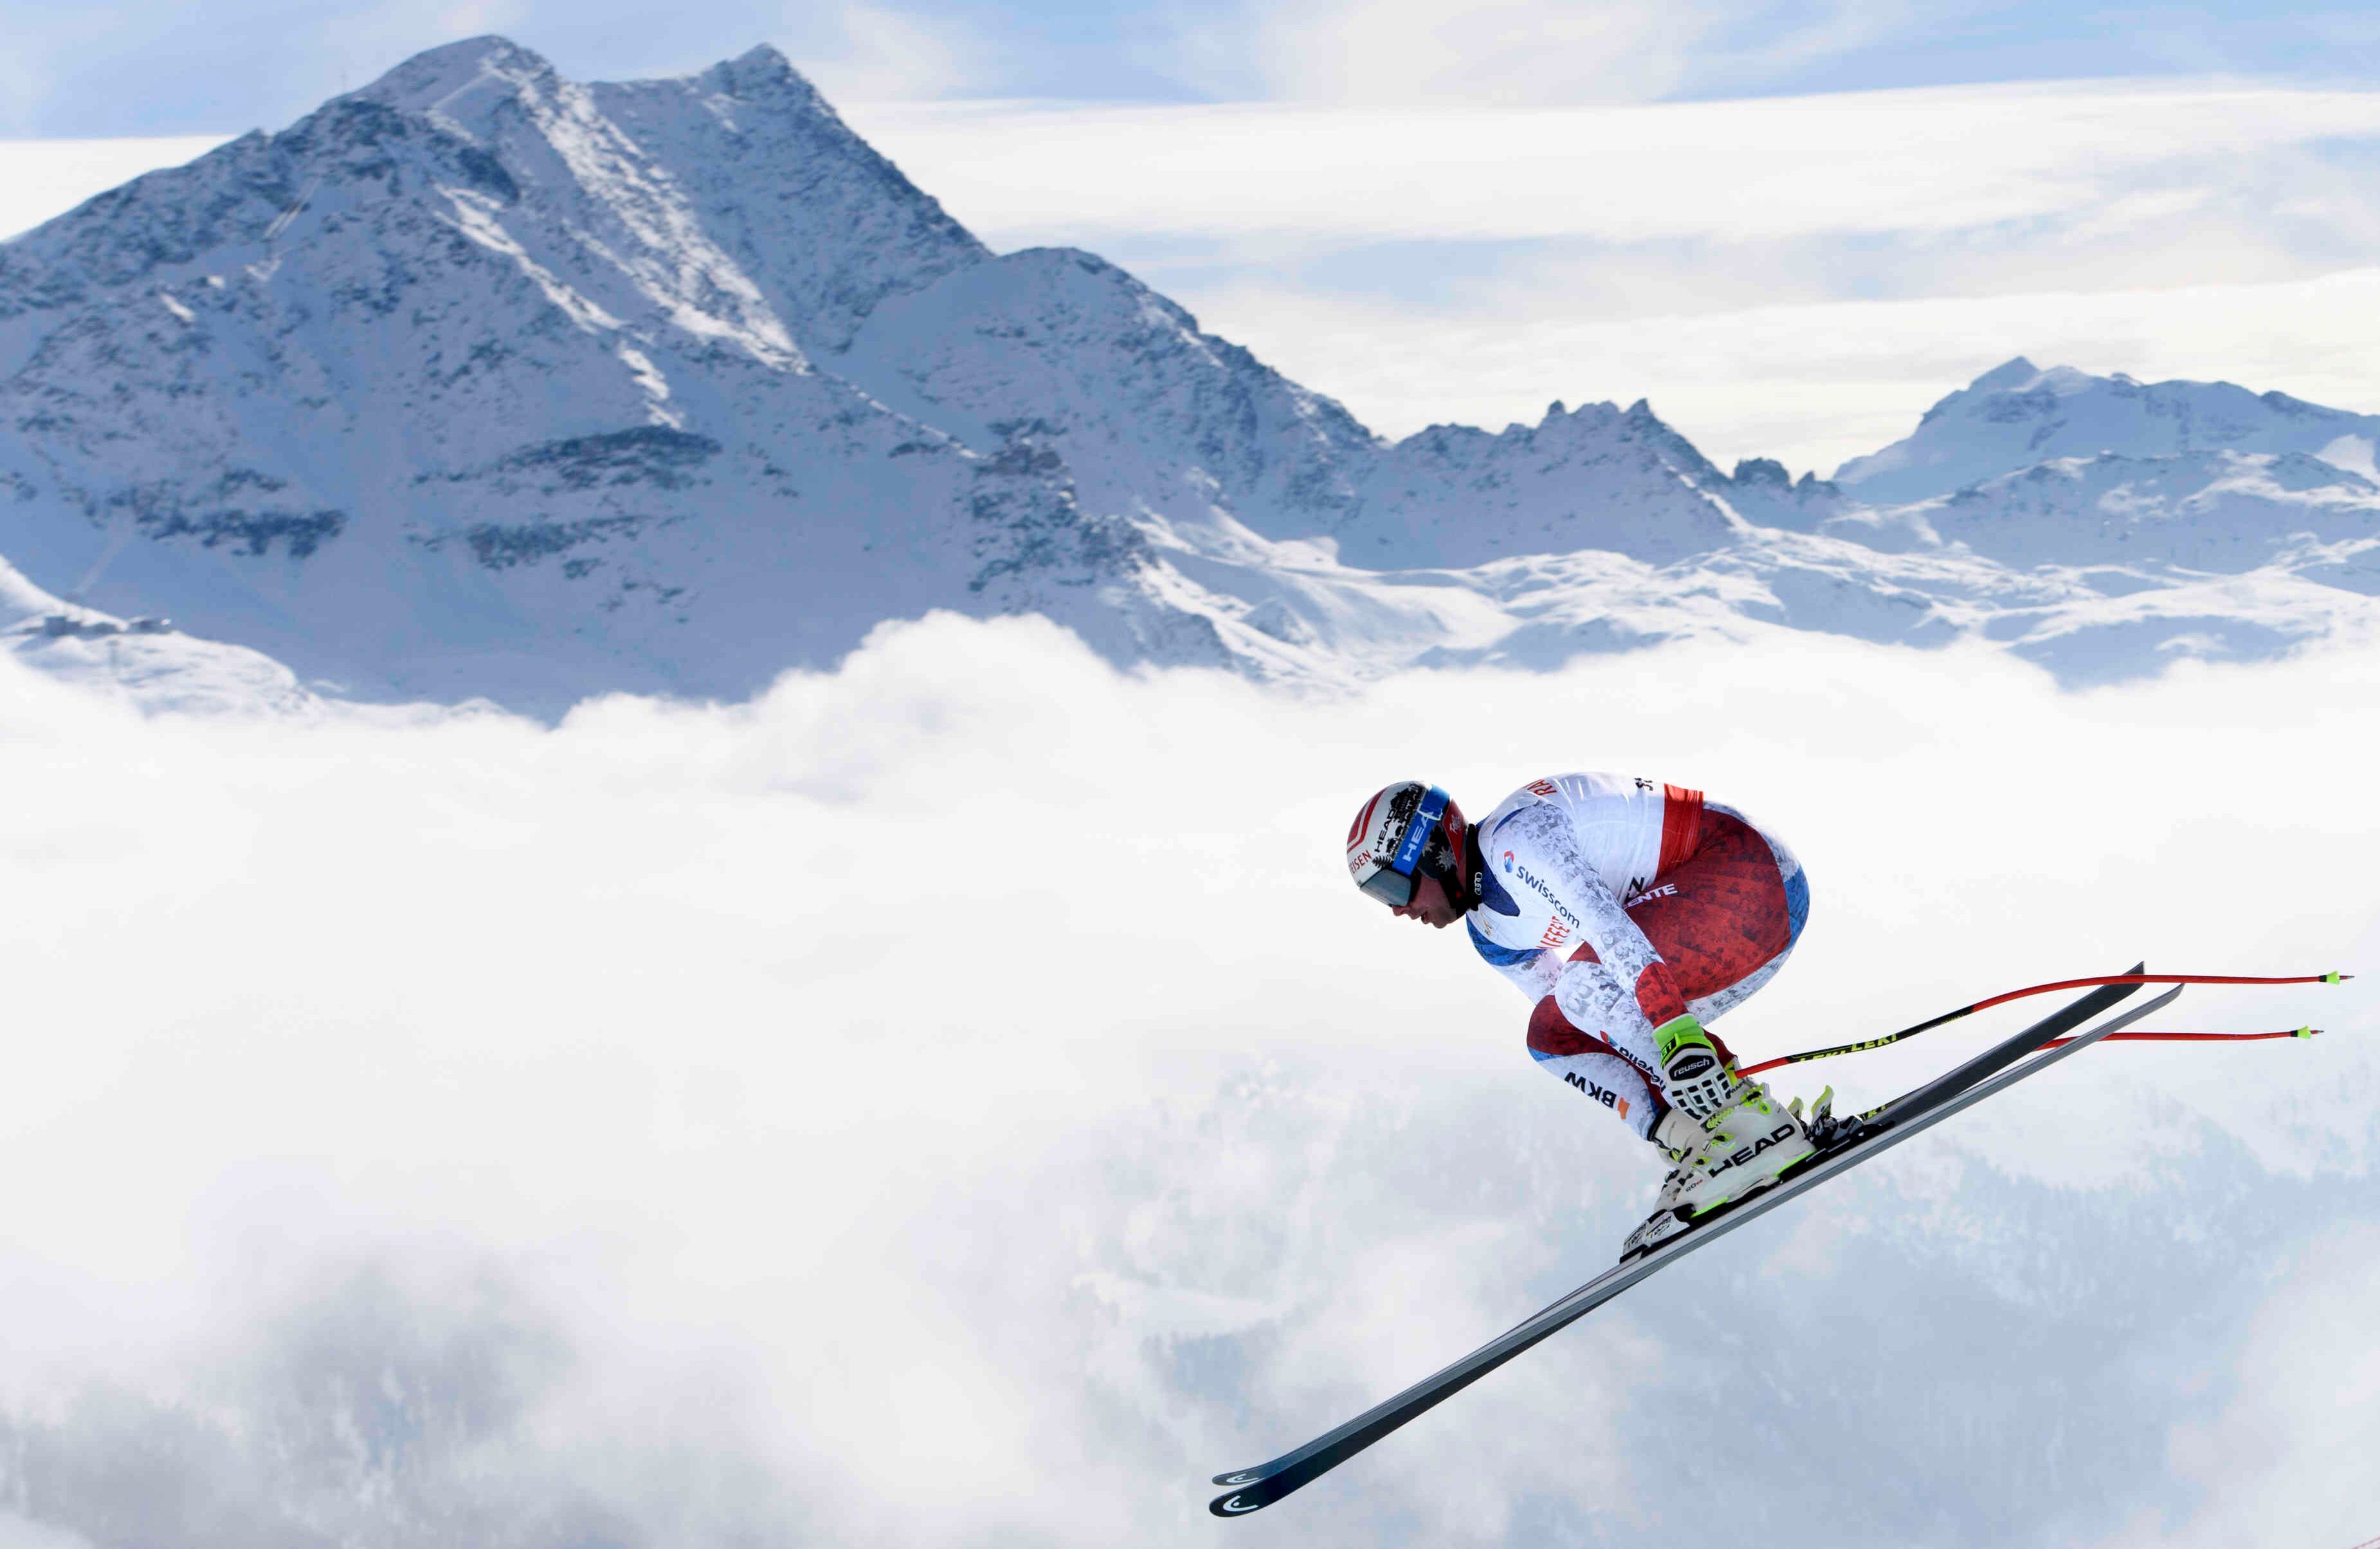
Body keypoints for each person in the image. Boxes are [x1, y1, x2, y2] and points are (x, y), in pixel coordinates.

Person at [1345, 774, 1817, 1258]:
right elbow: (1592, 1026)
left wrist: (1678, 1038)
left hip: (1754, 874)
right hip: (1719, 926)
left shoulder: (1518, 838)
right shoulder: (1489, 934)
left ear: (1433, 852)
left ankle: (1744, 1117)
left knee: (1581, 983)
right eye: (1380, 897)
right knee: (1550, 1036)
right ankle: (1704, 1140)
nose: (1397, 910)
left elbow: (1607, 929)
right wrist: (1669, 1076)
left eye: (1392, 885)